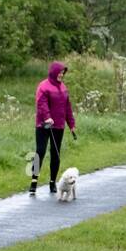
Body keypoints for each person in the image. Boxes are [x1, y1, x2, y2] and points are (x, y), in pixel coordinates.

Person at [32, 61, 76, 195]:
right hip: (44, 125)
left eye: (63, 73)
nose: (61, 75)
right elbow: (41, 104)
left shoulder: (63, 87)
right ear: (53, 72)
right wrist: (47, 117)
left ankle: (52, 182)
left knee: (55, 154)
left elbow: (67, 107)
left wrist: (71, 124)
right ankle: (34, 182)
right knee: (40, 151)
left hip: (58, 125)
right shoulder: (43, 86)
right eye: (60, 72)